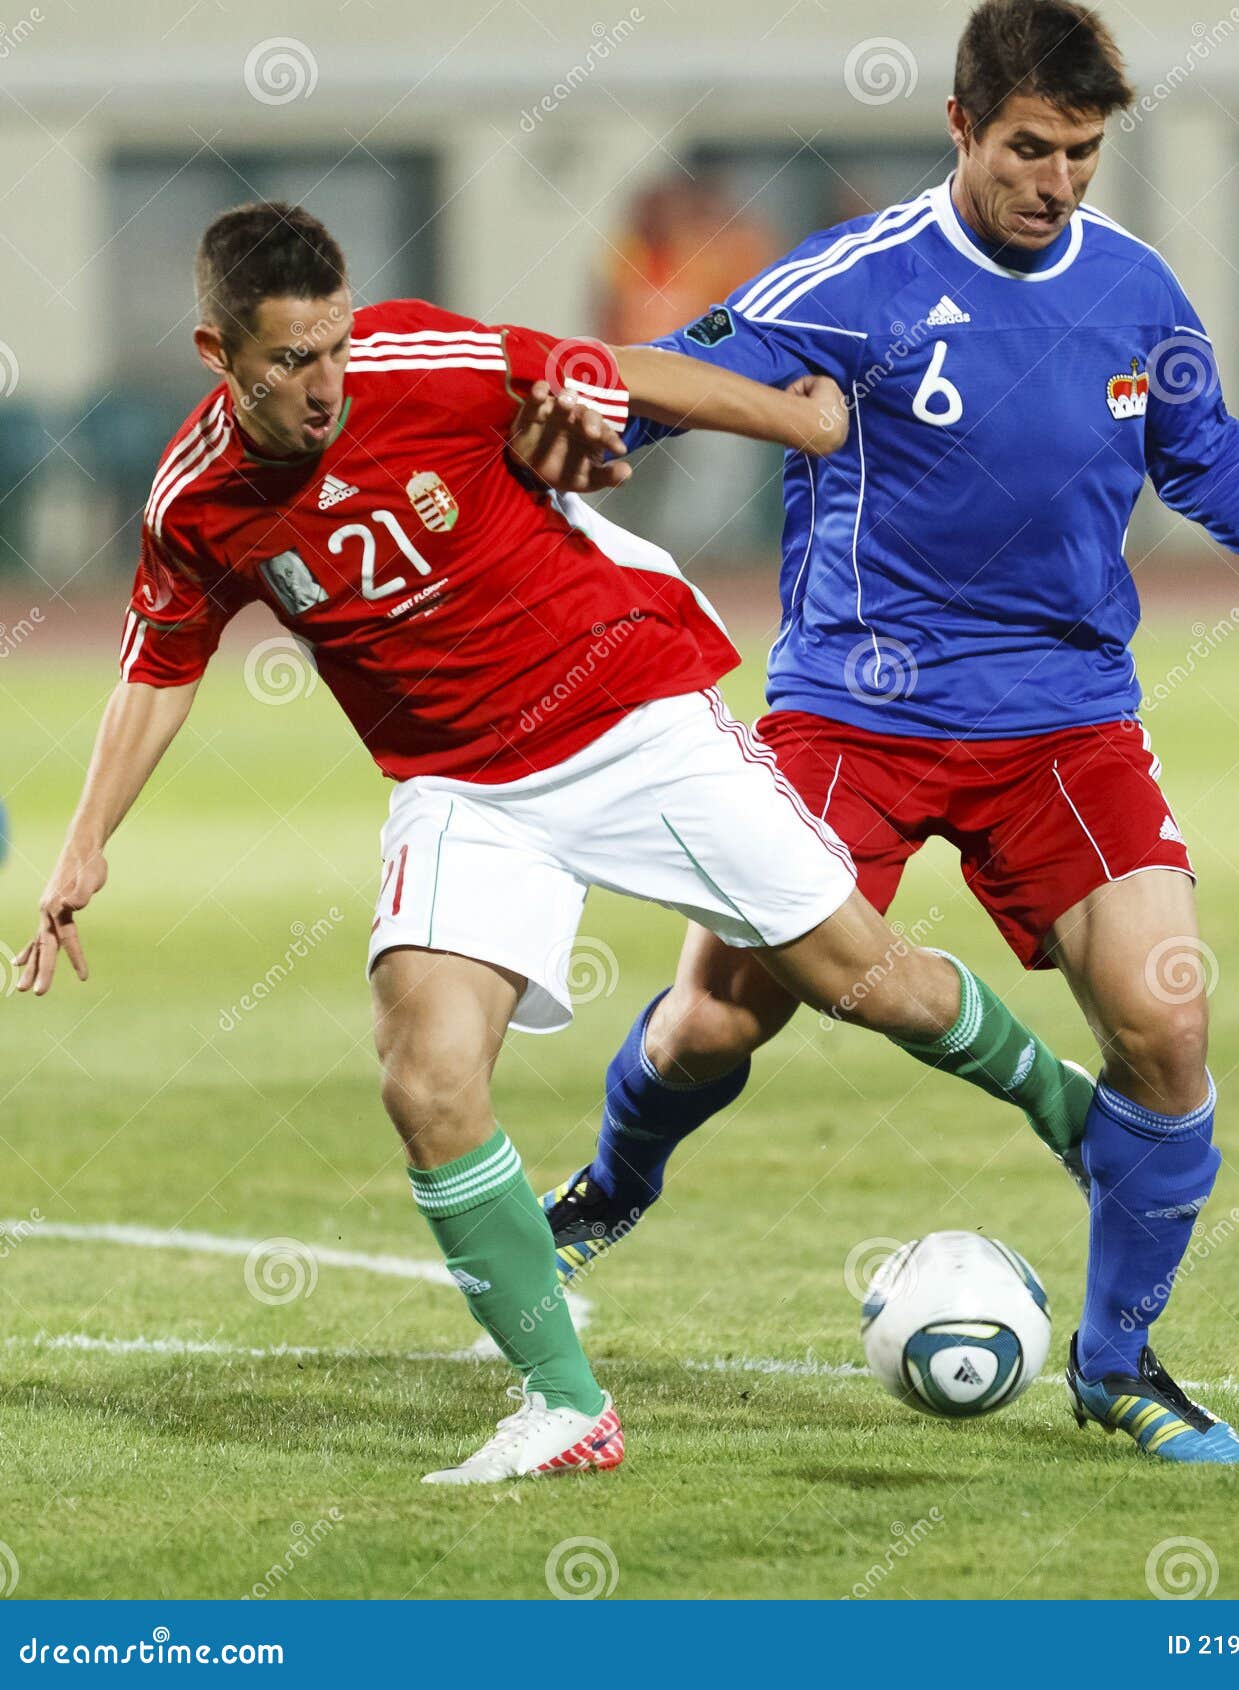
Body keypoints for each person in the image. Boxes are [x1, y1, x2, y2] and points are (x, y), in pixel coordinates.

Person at [17, 200, 1090, 1486]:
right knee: (423, 1076)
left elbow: (617, 371)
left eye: (334, 346)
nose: (323, 385)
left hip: (628, 709)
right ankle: (566, 1406)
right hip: (461, 785)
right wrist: (83, 846)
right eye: (287, 362)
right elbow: (159, 665)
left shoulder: (424, 359)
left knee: (872, 984)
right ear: (216, 355)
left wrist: (802, 421)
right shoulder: (195, 502)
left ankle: (1081, 1117)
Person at [540, 0, 1239, 1465]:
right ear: (958, 128)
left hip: (1061, 720)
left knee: (1163, 1019)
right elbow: (675, 367)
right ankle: (613, 1184)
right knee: (719, 1013)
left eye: (1077, 153)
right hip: (850, 712)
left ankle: (1119, 1364)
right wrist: (596, 427)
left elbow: (1199, 447)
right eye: (1026, 147)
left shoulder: (1130, 291)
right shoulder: (853, 280)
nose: (1053, 179)